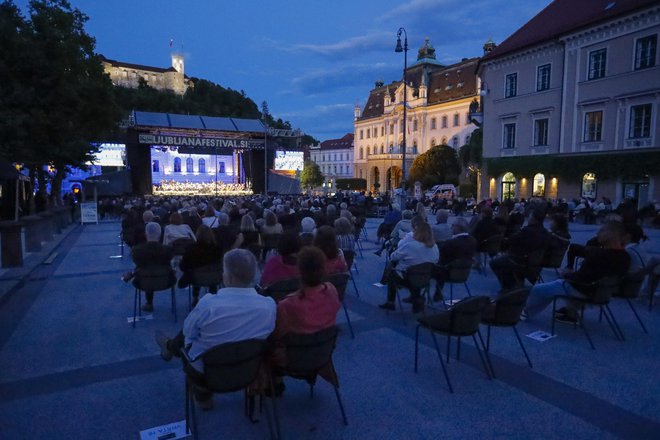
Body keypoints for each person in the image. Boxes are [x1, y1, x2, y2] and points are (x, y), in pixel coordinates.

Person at [155, 249, 276, 410]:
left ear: (229, 276)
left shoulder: (209, 304)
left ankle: (201, 394)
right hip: (249, 370)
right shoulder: (269, 305)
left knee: (190, 338)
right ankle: (171, 348)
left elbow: (188, 333)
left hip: (207, 374)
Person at [524, 221, 630, 321]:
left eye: (602, 231)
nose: (598, 233)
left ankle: (523, 312)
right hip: (600, 293)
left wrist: (567, 275)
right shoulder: (625, 257)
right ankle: (570, 312)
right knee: (553, 287)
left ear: (612, 234)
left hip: (583, 290)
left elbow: (581, 279)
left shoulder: (599, 255)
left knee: (537, 290)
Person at [271, 246, 341, 379]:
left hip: (292, 360)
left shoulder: (286, 305)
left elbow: (277, 335)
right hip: (322, 355)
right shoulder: (332, 290)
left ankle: (273, 385)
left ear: (300, 271)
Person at [378, 222, 439, 313]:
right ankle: (416, 298)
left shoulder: (410, 246)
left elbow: (393, 256)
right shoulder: (434, 246)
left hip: (408, 278)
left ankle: (390, 302)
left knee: (392, 271)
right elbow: (436, 260)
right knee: (417, 272)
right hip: (426, 278)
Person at [489, 209, 550, 290]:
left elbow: (512, 240)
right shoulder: (545, 232)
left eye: (530, 216)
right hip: (535, 264)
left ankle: (507, 285)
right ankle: (516, 280)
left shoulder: (527, 231)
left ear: (534, 219)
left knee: (494, 262)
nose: (528, 218)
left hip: (520, 260)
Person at [129, 222, 175, 312]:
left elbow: (138, 265)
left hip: (143, 282)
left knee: (147, 273)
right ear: (160, 234)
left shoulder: (137, 251)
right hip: (166, 281)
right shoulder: (168, 250)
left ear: (146, 233)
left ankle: (149, 303)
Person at [432, 218, 477, 301]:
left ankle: (423, 295)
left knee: (427, 268)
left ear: (457, 228)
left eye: (452, 226)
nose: (451, 228)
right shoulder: (473, 240)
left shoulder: (450, 243)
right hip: (465, 272)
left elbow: (442, 260)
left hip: (449, 272)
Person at [178, 225, 222, 307]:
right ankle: (213, 296)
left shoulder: (191, 248)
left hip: (196, 279)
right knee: (210, 271)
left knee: (194, 271)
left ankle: (195, 297)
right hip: (215, 277)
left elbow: (183, 266)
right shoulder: (217, 248)